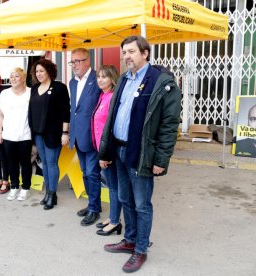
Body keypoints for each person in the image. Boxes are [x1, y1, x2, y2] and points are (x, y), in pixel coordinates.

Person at [99, 36, 181, 273]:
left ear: (145, 53)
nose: (126, 56)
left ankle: (141, 249)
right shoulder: (124, 79)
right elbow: (113, 117)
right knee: (125, 198)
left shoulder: (161, 82)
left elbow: (169, 124)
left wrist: (161, 160)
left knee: (142, 204)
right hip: (120, 150)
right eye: (124, 52)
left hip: (142, 153)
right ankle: (130, 240)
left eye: (132, 52)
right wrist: (106, 151)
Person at [28, 59, 70, 210]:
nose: (39, 74)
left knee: (52, 163)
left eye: (42, 71)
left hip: (53, 133)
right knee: (44, 163)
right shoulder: (34, 88)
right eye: (37, 71)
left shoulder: (59, 87)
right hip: (38, 133)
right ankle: (48, 193)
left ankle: (52, 194)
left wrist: (65, 133)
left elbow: (66, 111)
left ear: (49, 71)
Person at [69, 48, 102, 226]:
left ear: (87, 61)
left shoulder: (97, 79)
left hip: (92, 136)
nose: (74, 65)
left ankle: (94, 209)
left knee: (92, 173)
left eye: (77, 61)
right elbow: (73, 109)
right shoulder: (72, 83)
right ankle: (92, 204)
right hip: (78, 135)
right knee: (85, 172)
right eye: (72, 62)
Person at [91, 65, 122, 235]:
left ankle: (115, 221)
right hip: (100, 149)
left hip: (108, 151)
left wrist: (105, 154)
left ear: (112, 78)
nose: (100, 80)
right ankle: (112, 216)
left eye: (104, 77)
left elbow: (110, 128)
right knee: (111, 186)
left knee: (114, 187)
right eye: (98, 77)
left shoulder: (112, 98)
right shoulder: (103, 96)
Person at [0, 68, 33, 201]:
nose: (13, 79)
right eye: (11, 76)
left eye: (17, 76)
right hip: (8, 135)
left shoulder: (31, 92)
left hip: (25, 134)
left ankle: (26, 188)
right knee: (11, 163)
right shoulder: (5, 94)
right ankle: (14, 187)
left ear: (23, 78)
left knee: (25, 163)